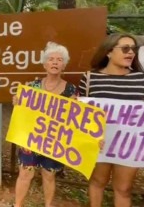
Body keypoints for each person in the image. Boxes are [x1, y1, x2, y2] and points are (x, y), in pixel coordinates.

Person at [78, 33, 144, 207]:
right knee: (97, 182)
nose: (131, 52)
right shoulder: (90, 78)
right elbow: (79, 110)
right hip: (98, 143)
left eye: (133, 49)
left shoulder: (141, 79)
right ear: (108, 52)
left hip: (129, 146)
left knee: (124, 189)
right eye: (125, 48)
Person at [12, 42, 76, 207]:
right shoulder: (31, 87)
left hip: (54, 140)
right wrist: (17, 103)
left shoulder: (71, 90)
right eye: (51, 59)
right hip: (31, 139)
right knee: (25, 173)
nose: (55, 62)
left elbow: (74, 120)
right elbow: (22, 114)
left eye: (59, 60)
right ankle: (18, 205)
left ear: (64, 65)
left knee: (49, 175)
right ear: (45, 63)